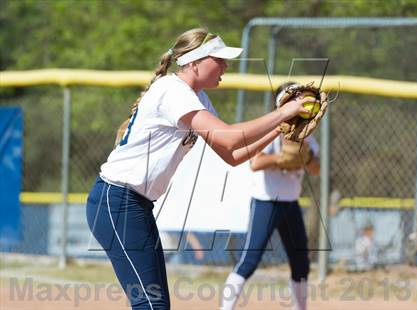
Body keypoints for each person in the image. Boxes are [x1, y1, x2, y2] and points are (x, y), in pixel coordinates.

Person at [86, 28, 316, 310]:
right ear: (194, 62)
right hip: (115, 201)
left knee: (155, 304)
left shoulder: (196, 97)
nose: (225, 66)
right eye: (218, 59)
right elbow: (230, 136)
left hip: (136, 206)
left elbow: (232, 154)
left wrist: (279, 130)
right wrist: (284, 112)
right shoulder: (172, 91)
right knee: (151, 304)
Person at [221, 82, 321, 310]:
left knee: (301, 263)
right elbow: (256, 163)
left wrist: (305, 158)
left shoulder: (306, 135)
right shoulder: (273, 131)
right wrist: (281, 160)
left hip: (290, 203)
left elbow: (316, 169)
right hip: (266, 201)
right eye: (295, 100)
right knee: (249, 261)